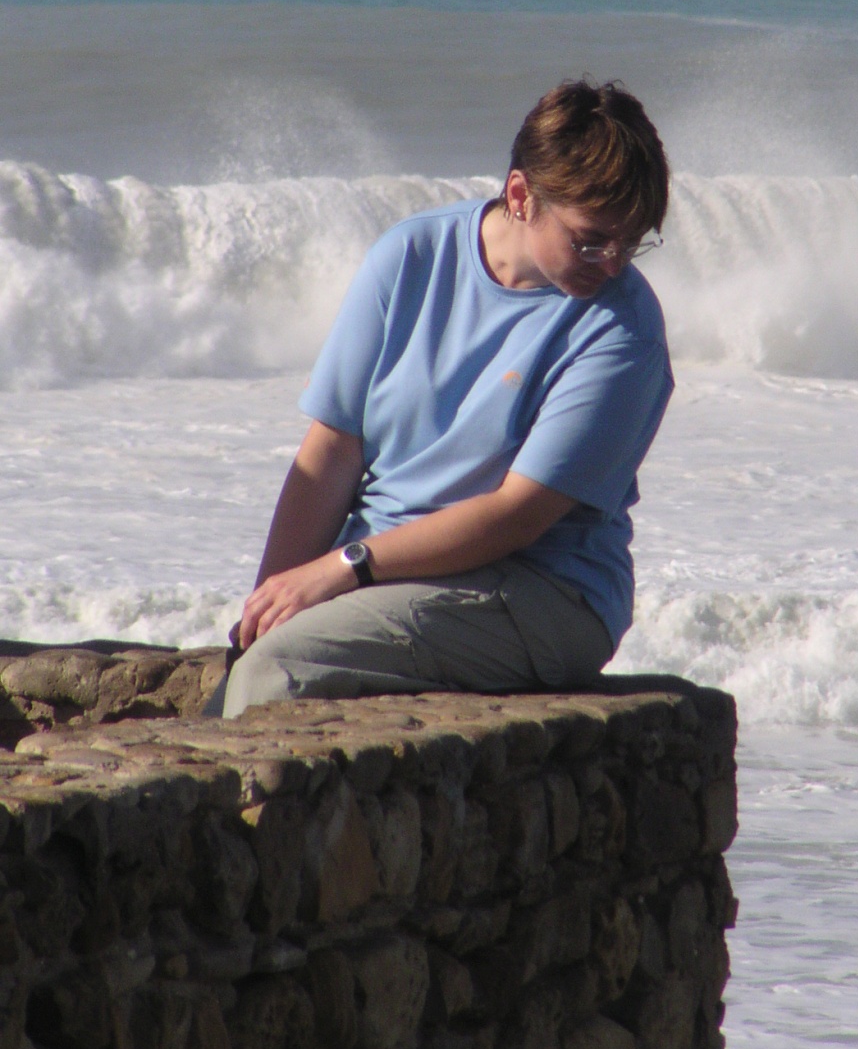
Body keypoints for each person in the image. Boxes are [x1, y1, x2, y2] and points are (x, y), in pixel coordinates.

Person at [219, 79, 673, 718]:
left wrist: (346, 566)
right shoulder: (411, 255)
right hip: (379, 569)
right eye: (592, 239)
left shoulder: (624, 330)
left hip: (542, 587)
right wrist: (267, 603)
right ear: (521, 196)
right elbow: (333, 450)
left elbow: (517, 515)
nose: (615, 263)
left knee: (280, 670)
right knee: (253, 661)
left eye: (633, 241)